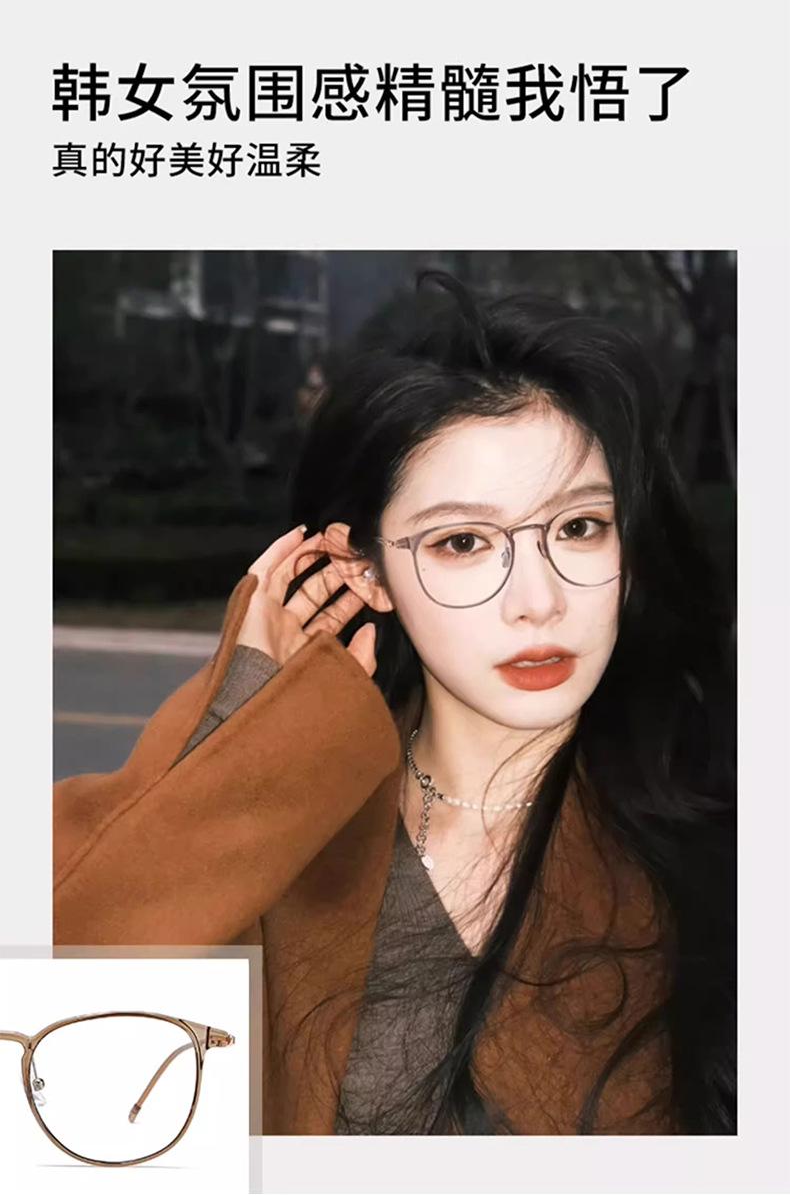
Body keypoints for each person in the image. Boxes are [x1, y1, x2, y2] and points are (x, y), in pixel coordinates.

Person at [53, 271, 736, 1136]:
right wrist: (240, 726)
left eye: (579, 528)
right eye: (464, 541)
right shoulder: (291, 824)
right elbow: (57, 1072)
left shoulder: (720, 822)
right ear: (364, 569)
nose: (539, 599)